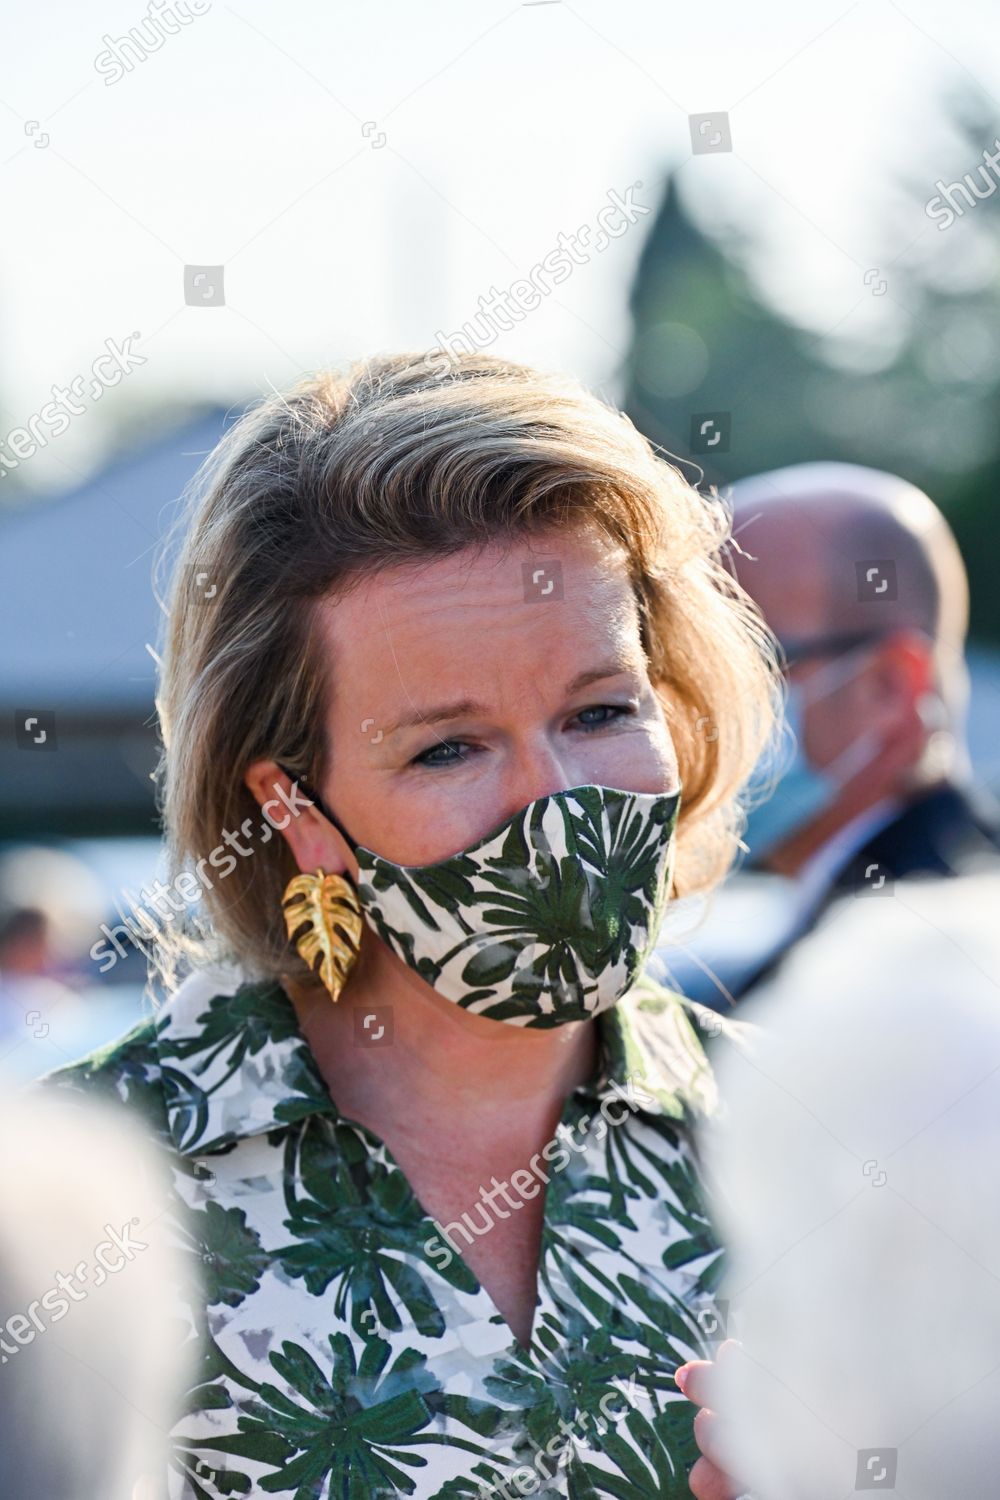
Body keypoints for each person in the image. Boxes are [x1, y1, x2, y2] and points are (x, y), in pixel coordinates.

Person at [38, 349, 779, 1498]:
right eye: (447, 747)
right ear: (295, 810)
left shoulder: (812, 1157)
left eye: (599, 711)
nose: (556, 798)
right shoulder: (65, 1201)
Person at [662, 461, 1000, 1010]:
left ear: (888, 686)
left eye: (736, 660)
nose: (682, 709)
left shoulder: (917, 961)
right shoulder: (865, 917)